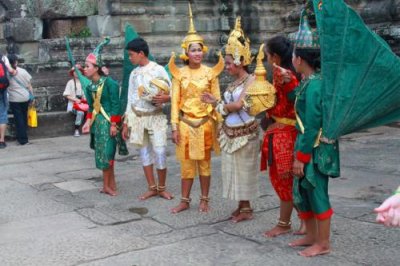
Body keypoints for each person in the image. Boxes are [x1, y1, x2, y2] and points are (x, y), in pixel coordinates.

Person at [288, 9, 339, 257]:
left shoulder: (315, 85)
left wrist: (302, 156)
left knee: (317, 191)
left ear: (299, 59)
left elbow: (313, 124)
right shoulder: (307, 82)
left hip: (316, 147)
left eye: (294, 56)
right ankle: (310, 235)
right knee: (303, 190)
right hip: (307, 143)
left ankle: (324, 243)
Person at [202, 17, 260, 223]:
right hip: (231, 132)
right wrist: (214, 101)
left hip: (245, 134)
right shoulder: (235, 82)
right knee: (234, 170)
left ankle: (247, 208)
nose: (225, 66)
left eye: (228, 63)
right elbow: (229, 108)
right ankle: (241, 205)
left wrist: (221, 105)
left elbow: (237, 106)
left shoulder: (252, 80)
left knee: (244, 170)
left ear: (240, 61)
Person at [169, 3, 224, 213]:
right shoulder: (179, 74)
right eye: (193, 50)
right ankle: (184, 200)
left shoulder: (211, 73)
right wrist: (174, 127)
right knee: (186, 164)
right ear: (186, 53)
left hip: (205, 124)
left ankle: (205, 199)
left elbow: (217, 100)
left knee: (205, 164)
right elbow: (174, 102)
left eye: (200, 49)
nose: (197, 53)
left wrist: (219, 126)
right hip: (185, 124)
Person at [260, 36, 305, 237]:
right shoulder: (284, 75)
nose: (266, 60)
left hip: (285, 137)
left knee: (285, 181)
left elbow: (294, 101)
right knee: (283, 180)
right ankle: (300, 221)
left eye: (267, 56)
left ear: (275, 57)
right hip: (278, 133)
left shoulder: (286, 76)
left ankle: (291, 222)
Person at [121, 37, 173, 201]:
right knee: (144, 153)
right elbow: (130, 99)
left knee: (160, 151)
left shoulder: (158, 70)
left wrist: (165, 98)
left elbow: (172, 92)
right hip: (137, 117)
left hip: (155, 116)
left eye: (131, 55)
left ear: (141, 53)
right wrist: (126, 123)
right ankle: (151, 187)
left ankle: (162, 187)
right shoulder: (134, 74)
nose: (130, 58)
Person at [81, 38, 121, 196]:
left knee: (107, 153)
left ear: (96, 68)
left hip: (108, 122)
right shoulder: (90, 86)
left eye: (87, 66)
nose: (84, 69)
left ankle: (107, 186)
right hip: (97, 123)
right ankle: (110, 184)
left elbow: (115, 104)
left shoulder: (110, 83)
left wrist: (113, 124)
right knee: (103, 153)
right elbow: (91, 107)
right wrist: (87, 121)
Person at [7, 54, 33, 145]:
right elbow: (29, 85)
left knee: (18, 119)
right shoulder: (23, 71)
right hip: (25, 97)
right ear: (16, 62)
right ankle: (24, 136)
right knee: (24, 116)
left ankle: (22, 139)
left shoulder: (7, 73)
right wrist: (32, 96)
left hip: (14, 98)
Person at [63, 64, 86, 137]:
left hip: (83, 104)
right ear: (72, 73)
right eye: (75, 71)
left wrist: (84, 99)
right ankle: (76, 129)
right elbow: (66, 95)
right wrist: (75, 99)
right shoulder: (70, 82)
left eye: (78, 71)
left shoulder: (84, 82)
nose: (77, 73)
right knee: (80, 113)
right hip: (73, 105)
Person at [0, 54, 16, 149]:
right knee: (2, 114)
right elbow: (12, 72)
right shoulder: (2, 57)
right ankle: (1, 141)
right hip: (1, 91)